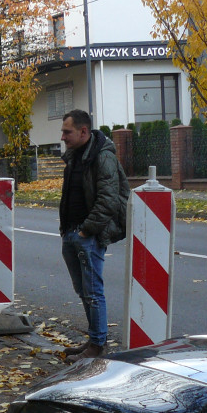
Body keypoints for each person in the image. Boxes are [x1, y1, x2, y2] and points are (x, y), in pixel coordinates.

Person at [59, 109, 129, 361]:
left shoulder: (102, 156)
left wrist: (86, 230)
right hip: (72, 232)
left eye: (67, 132)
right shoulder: (75, 156)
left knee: (92, 290)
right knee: (82, 289)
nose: (63, 136)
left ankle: (98, 345)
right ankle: (93, 339)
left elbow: (109, 200)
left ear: (83, 131)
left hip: (87, 235)